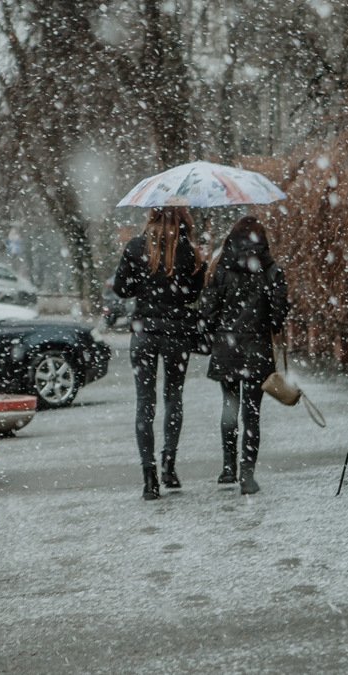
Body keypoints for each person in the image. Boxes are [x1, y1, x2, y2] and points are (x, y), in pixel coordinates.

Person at [113, 206, 205, 500]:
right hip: (177, 334)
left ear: (151, 216)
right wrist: (198, 266)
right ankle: (169, 465)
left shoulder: (137, 246)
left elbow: (121, 289)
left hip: (144, 333)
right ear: (182, 219)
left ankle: (149, 476)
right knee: (173, 398)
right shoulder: (188, 249)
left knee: (145, 402)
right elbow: (192, 295)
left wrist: (140, 277)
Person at [199, 216, 289, 495]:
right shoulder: (271, 270)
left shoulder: (220, 268)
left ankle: (228, 468)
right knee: (252, 413)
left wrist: (218, 330)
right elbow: (278, 315)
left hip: (227, 348)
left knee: (230, 406)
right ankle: (247, 474)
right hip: (257, 349)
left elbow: (207, 312)